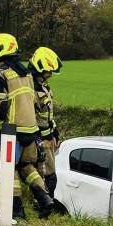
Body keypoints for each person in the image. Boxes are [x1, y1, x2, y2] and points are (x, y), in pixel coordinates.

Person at [0, 33, 54, 219]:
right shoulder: (27, 75)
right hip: (31, 131)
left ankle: (16, 210)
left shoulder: (0, 76)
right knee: (26, 166)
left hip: (11, 132)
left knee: (7, 168)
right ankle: (45, 198)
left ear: (0, 51)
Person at [29, 46, 63, 199]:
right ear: (39, 69)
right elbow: (29, 117)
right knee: (46, 178)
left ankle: (45, 204)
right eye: (48, 72)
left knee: (51, 178)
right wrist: (37, 138)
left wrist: (54, 130)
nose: (50, 75)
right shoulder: (31, 91)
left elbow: (47, 115)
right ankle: (42, 207)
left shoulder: (44, 88)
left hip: (48, 140)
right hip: (39, 142)